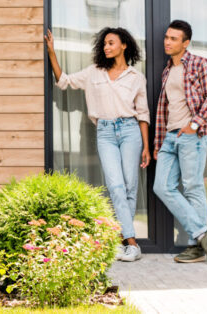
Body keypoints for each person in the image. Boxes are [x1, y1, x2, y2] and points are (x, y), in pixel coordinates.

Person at [45, 27, 151, 262]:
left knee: (130, 186)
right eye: (104, 44)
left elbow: (143, 114)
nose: (106, 47)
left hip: (130, 131)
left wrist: (146, 147)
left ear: (124, 45)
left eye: (111, 43)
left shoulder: (136, 77)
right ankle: (132, 243)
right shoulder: (93, 72)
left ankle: (124, 242)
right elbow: (63, 81)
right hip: (105, 132)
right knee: (116, 187)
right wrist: (52, 52)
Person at [152, 20, 207, 264]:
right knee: (161, 186)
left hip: (192, 136)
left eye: (173, 39)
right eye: (167, 37)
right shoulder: (167, 71)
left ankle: (196, 247)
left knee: (192, 187)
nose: (167, 42)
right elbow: (165, 109)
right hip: (170, 137)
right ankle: (203, 235)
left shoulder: (201, 64)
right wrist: (158, 144)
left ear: (186, 43)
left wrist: (193, 126)